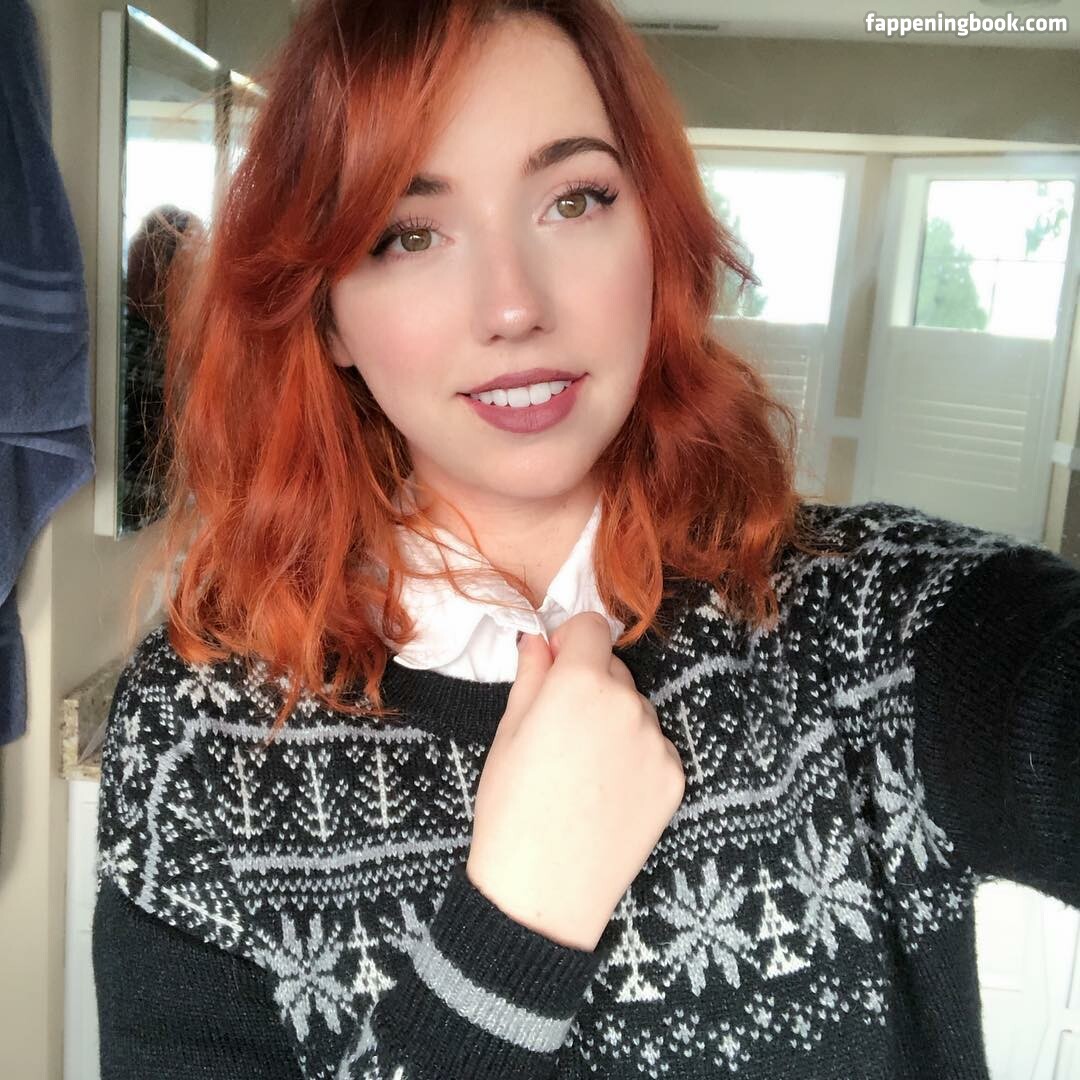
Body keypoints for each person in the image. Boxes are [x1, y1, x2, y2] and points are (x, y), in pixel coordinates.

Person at [91, 1, 1080, 1078]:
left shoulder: (870, 628)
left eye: (574, 199)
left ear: (655, 235)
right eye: (408, 232)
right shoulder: (198, 735)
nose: (514, 306)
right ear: (325, 313)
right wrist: (511, 937)